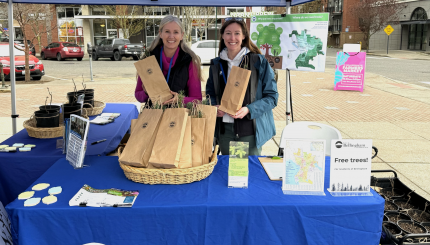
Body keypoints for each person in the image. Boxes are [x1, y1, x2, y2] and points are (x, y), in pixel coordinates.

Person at [206, 18, 278, 155]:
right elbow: (210, 95)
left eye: (237, 33)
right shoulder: (216, 65)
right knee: (229, 173)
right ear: (222, 35)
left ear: (244, 36)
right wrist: (213, 107)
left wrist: (249, 109)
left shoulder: (258, 62)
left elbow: (272, 97)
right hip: (225, 132)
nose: (232, 38)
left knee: (248, 174)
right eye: (228, 33)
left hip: (249, 133)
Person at [135, 15, 202, 105]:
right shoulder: (148, 59)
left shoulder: (190, 61)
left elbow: (197, 100)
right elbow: (138, 95)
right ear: (160, 33)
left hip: (179, 116)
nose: (171, 36)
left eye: (176, 32)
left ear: (181, 35)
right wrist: (146, 93)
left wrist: (180, 99)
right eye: (167, 31)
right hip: (153, 116)